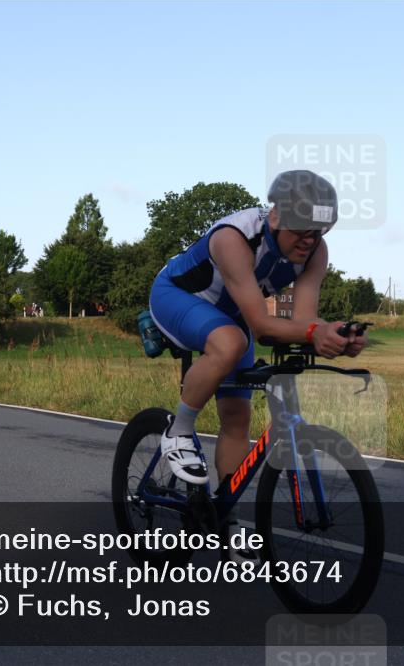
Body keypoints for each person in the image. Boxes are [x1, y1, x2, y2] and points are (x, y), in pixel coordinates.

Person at [147, 170, 368, 553]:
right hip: (179, 297)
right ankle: (178, 430)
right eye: (302, 230)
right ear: (277, 217)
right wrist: (313, 333)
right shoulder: (234, 238)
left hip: (229, 316)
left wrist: (335, 337)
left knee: (237, 417)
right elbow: (264, 328)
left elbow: (302, 322)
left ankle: (225, 521)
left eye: (319, 231)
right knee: (231, 341)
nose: (309, 240)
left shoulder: (315, 252)